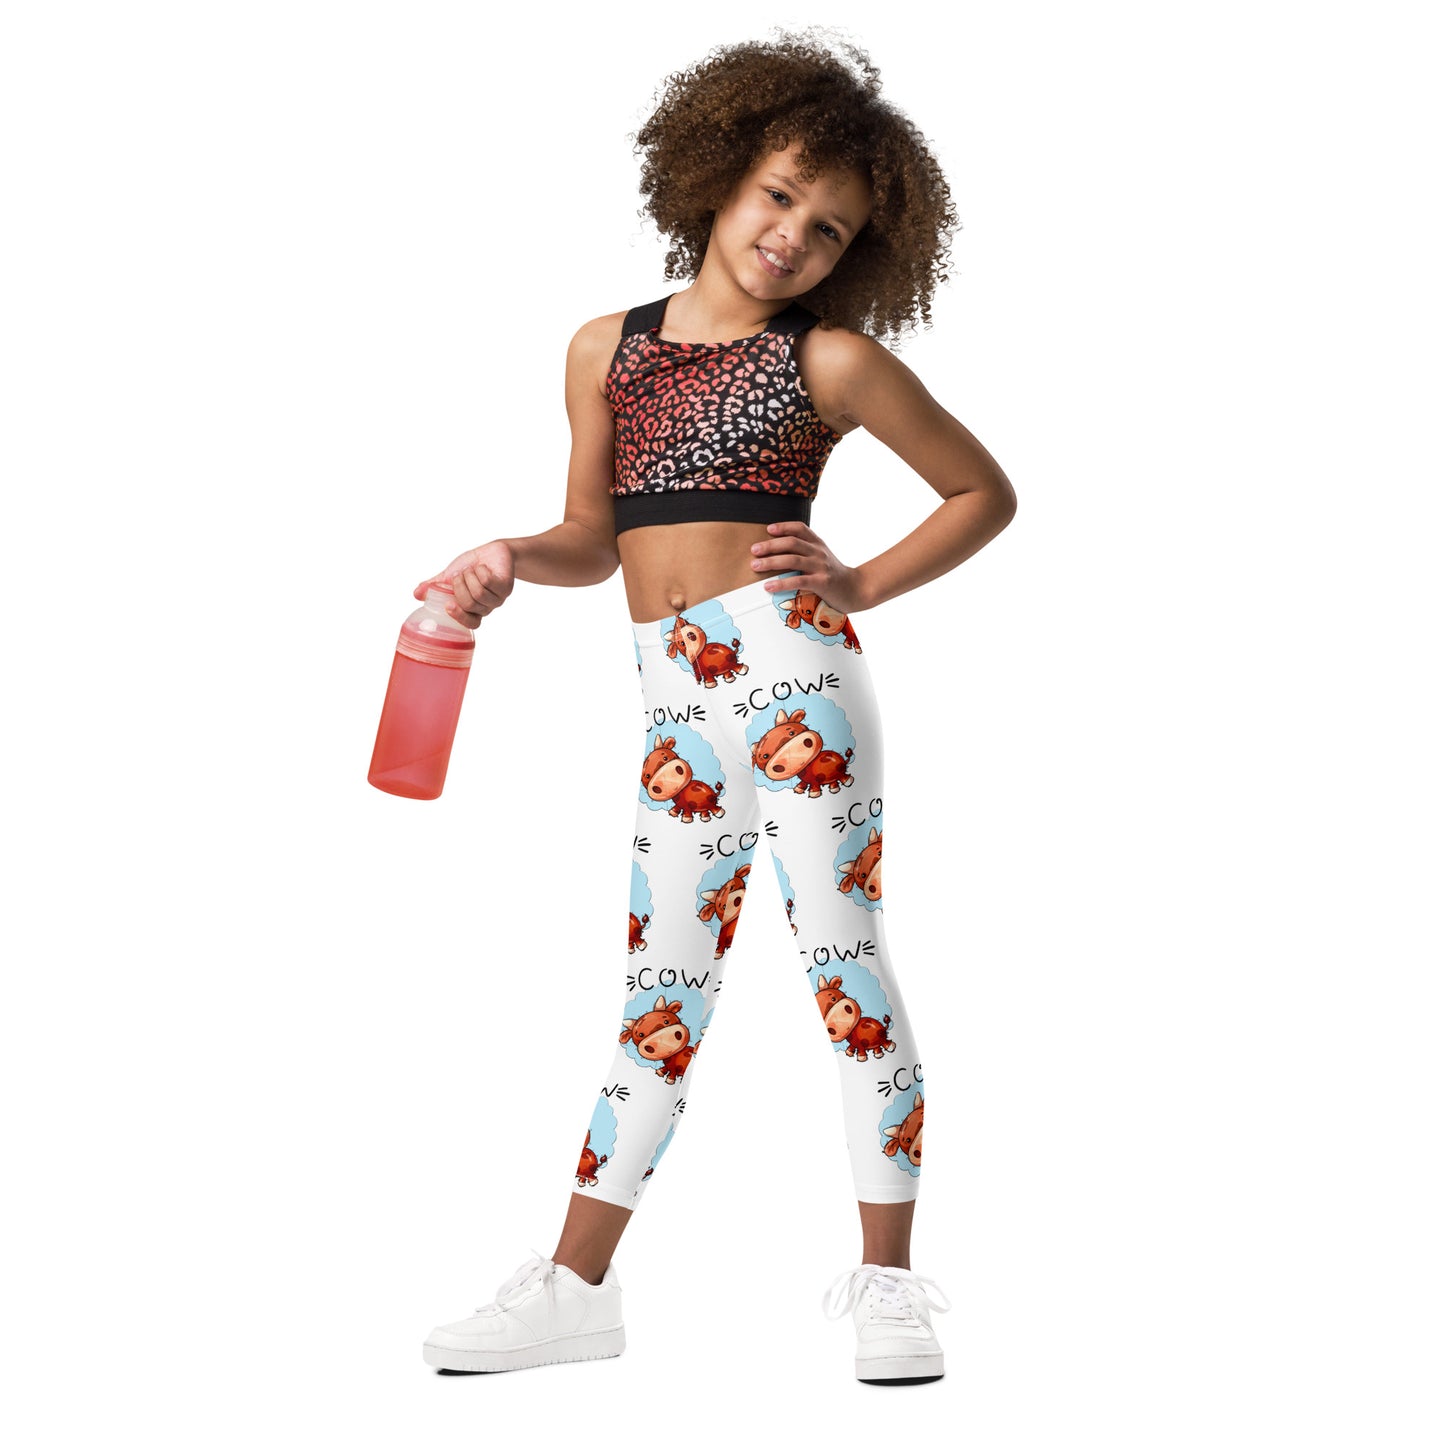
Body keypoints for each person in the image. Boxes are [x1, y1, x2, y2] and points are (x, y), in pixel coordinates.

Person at [417, 27, 1016, 1386]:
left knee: (843, 966)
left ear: (856, 250)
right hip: (674, 705)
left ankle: (890, 1284)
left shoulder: (830, 361)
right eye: (777, 196)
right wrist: (507, 558)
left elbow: (983, 490)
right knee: (660, 990)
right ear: (720, 171)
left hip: (798, 680)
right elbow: (592, 537)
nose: (791, 235)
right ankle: (576, 1289)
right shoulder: (606, 349)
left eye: (829, 226)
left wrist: (859, 580)